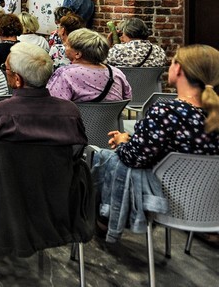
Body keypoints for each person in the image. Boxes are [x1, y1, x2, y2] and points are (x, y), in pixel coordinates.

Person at [94, 45, 219, 243]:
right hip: (207, 209)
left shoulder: (166, 113)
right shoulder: (211, 114)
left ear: (178, 69)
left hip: (164, 203)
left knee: (105, 157)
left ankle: (102, 219)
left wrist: (124, 141)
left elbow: (133, 158)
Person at [0, 42, 88, 161]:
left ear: (18, 79)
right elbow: (77, 151)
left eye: (5, 68)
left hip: (4, 185)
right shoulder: (70, 112)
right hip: (58, 185)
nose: (4, 71)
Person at [46, 28, 131, 102]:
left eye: (67, 45)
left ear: (78, 54)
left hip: (78, 120)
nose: (64, 46)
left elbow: (54, 103)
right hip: (110, 120)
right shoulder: (116, 73)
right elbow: (127, 98)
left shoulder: (65, 74)